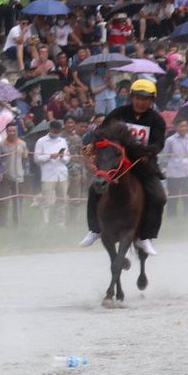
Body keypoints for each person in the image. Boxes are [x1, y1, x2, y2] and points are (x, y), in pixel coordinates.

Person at [79, 78, 168, 254]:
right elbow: (101, 133)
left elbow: (158, 144)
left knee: (159, 197)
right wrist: (93, 145)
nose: (140, 102)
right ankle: (95, 230)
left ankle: (145, 237)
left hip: (142, 163)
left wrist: (148, 153)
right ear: (131, 97)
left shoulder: (156, 120)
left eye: (145, 99)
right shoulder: (118, 113)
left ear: (151, 101)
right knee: (93, 189)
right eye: (137, 98)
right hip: (115, 163)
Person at [32, 119, 71, 226]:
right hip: (48, 175)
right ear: (50, 129)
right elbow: (36, 159)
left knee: (62, 200)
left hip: (62, 174)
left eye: (58, 131)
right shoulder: (41, 141)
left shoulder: (62, 141)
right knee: (47, 200)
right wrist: (49, 156)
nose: (57, 133)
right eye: (55, 130)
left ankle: (60, 222)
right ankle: (45, 222)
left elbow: (68, 158)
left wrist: (62, 157)